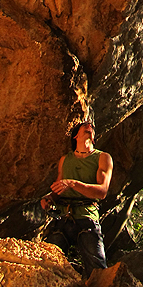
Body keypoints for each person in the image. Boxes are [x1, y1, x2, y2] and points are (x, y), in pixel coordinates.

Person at [42, 119, 113, 277]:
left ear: (93, 138)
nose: (89, 127)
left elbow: (102, 191)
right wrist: (49, 198)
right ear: (75, 137)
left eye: (91, 128)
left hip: (87, 216)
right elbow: (60, 186)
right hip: (62, 217)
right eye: (84, 127)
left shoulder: (102, 158)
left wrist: (74, 184)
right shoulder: (65, 160)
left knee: (98, 270)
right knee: (46, 265)